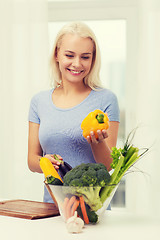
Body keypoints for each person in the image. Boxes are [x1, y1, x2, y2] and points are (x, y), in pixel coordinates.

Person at [28, 21, 120, 203]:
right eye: (69, 55)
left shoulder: (106, 100)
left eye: (85, 57)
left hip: (94, 208)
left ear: (93, 59)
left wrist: (97, 142)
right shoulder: (39, 101)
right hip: (52, 207)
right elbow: (31, 160)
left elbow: (109, 166)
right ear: (57, 54)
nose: (77, 64)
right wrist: (45, 163)